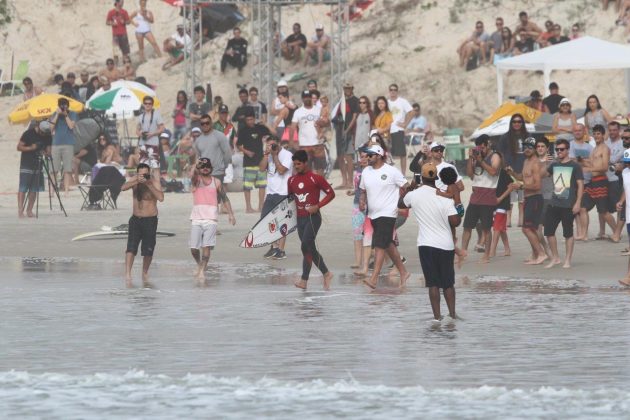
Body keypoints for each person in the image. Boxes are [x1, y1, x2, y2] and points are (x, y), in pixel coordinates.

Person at [399, 162, 461, 321]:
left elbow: (401, 204)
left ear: (422, 176)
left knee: (433, 283)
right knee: (448, 284)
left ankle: (437, 318)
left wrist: (410, 188)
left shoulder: (415, 195)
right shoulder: (444, 197)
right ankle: (452, 316)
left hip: (426, 245)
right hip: (446, 245)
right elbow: (455, 222)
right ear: (436, 177)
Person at [359, 144, 411, 289]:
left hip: (388, 213)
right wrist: (362, 201)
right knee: (388, 243)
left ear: (379, 156)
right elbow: (362, 190)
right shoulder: (366, 172)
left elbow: (406, 186)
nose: (367, 158)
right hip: (373, 214)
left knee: (379, 245)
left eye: (370, 155)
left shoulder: (391, 171)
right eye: (367, 155)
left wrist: (404, 203)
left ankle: (374, 278)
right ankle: (403, 271)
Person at [288, 150, 335, 290]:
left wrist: (317, 206)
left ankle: (304, 279)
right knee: (309, 248)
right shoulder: (291, 181)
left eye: (299, 164)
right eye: (294, 164)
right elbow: (289, 201)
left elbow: (331, 194)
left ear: (305, 163)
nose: (296, 167)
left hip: (313, 218)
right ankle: (326, 273)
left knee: (305, 245)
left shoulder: (316, 178)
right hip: (300, 219)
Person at [189, 158, 235, 282]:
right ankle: (199, 264)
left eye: (207, 166)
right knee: (193, 248)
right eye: (203, 166)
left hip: (211, 219)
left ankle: (202, 271)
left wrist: (231, 214)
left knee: (206, 246)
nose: (205, 168)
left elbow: (225, 198)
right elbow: (191, 174)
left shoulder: (217, 182)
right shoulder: (196, 181)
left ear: (211, 168)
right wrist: (196, 164)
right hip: (196, 218)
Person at [543, 139, 584, 269]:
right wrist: (545, 160)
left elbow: (580, 185)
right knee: (548, 232)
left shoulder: (575, 166)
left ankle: (567, 260)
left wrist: (578, 203)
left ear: (567, 150)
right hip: (554, 203)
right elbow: (542, 175)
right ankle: (555, 258)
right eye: (557, 149)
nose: (559, 152)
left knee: (568, 233)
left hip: (568, 204)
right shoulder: (554, 164)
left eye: (561, 149)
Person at [507, 137, 548, 265]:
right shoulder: (526, 161)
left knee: (527, 228)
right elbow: (523, 177)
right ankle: (536, 254)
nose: (527, 149)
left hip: (535, 198)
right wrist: (512, 173)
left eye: (530, 147)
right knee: (531, 228)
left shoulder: (536, 163)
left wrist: (521, 186)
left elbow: (537, 185)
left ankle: (541, 254)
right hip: (528, 198)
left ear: (535, 149)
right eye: (525, 147)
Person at [121, 163, 164, 287]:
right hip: (135, 219)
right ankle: (128, 274)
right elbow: (123, 187)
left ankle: (144, 273)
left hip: (150, 220)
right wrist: (136, 182)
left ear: (149, 173)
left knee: (148, 249)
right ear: (137, 173)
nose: (143, 176)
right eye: (140, 174)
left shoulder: (154, 182)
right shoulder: (135, 180)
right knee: (131, 247)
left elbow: (161, 198)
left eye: (145, 174)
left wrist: (148, 184)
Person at [461, 135, 500, 261]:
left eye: (483, 147)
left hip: (488, 197)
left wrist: (481, 160)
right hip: (475, 196)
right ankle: (463, 252)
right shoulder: (477, 157)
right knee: (467, 226)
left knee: (486, 228)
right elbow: (470, 175)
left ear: (488, 145)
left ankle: (486, 255)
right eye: (479, 147)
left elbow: (494, 172)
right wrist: (471, 158)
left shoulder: (495, 156)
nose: (481, 150)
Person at [259, 135, 293, 260]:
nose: (272, 147)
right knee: (267, 220)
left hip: (283, 192)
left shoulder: (287, 155)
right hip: (271, 192)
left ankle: (281, 250)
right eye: (269, 144)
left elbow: (282, 170)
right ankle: (274, 247)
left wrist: (274, 155)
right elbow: (262, 169)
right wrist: (266, 155)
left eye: (274, 144)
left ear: (279, 144)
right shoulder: (268, 155)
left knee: (282, 222)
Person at [497, 113, 528, 227]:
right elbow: (500, 153)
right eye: (514, 121)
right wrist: (504, 166)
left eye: (519, 121)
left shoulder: (528, 136)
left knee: (522, 198)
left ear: (522, 123)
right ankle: (508, 220)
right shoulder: (505, 137)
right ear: (511, 123)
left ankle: (521, 219)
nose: (517, 124)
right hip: (509, 169)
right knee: (510, 197)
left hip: (524, 168)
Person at [236, 108, 270, 213]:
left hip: (260, 162)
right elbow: (238, 145)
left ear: (254, 119)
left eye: (251, 119)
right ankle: (248, 207)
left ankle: (261, 206)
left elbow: (271, 133)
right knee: (247, 186)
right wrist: (246, 152)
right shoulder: (242, 130)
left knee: (262, 185)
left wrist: (265, 123)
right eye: (248, 120)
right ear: (245, 120)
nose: (250, 122)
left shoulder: (260, 128)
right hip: (249, 162)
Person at [17, 122, 50, 218]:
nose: (44, 135)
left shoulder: (48, 135)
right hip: (26, 163)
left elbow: (49, 151)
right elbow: (19, 147)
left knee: (34, 189)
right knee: (23, 188)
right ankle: (20, 210)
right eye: (42, 133)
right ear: (39, 128)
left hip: (38, 163)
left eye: (45, 133)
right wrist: (31, 148)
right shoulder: (28, 134)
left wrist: (46, 153)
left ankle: (29, 210)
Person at [291, 90, 327, 175]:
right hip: (304, 145)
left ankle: (320, 187)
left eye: (308, 97)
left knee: (320, 168)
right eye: (305, 97)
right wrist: (292, 142)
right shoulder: (298, 111)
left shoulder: (318, 110)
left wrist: (324, 126)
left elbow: (326, 123)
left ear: (311, 98)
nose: (307, 99)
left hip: (318, 144)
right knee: (306, 168)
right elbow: (293, 127)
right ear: (302, 99)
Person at [333, 82, 360, 189]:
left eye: (349, 88)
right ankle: (344, 181)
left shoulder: (355, 101)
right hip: (339, 131)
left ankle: (350, 181)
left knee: (348, 157)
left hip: (349, 132)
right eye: (345, 88)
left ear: (352, 88)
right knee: (340, 156)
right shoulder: (341, 101)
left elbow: (354, 117)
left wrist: (347, 129)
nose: (347, 90)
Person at [570, 124, 595, 240]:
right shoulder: (570, 145)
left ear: (584, 131)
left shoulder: (589, 147)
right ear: (573, 132)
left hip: (587, 181)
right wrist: (585, 161)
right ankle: (579, 233)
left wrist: (581, 161)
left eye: (580, 130)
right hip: (573, 181)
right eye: (575, 130)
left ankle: (585, 234)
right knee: (576, 209)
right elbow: (572, 161)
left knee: (583, 208)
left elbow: (592, 163)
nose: (578, 132)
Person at [50, 97, 78, 196]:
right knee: (54, 169)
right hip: (56, 143)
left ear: (68, 106)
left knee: (67, 169)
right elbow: (51, 128)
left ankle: (66, 191)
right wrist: (57, 114)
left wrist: (66, 115)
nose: (63, 107)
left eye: (64, 105)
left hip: (68, 143)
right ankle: (52, 191)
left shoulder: (73, 113)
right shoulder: (55, 113)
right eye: (61, 105)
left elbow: (71, 126)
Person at [193, 114, 232, 183]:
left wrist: (223, 167)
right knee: (207, 194)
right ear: (200, 125)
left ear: (211, 123)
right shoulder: (198, 140)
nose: (205, 125)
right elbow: (197, 157)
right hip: (204, 173)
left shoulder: (220, 136)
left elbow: (227, 153)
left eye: (207, 123)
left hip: (217, 173)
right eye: (202, 123)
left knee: (218, 193)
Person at [387, 84, 413, 176]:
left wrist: (405, 124)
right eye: (391, 90)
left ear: (397, 91)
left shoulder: (402, 101)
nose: (393, 91)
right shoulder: (387, 103)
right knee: (388, 153)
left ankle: (403, 174)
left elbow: (411, 112)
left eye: (395, 90)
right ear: (389, 91)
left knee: (402, 153)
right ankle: (390, 174)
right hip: (388, 130)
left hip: (398, 129)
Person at [136, 96, 165, 168]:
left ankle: (156, 179)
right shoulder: (140, 116)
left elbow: (162, 128)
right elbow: (137, 130)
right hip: (143, 144)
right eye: (146, 103)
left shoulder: (157, 115)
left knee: (155, 167)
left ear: (152, 105)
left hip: (153, 143)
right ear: (143, 104)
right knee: (143, 167)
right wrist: (141, 134)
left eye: (149, 103)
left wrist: (152, 134)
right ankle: (145, 179)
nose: (147, 105)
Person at [616, 149, 630, 286]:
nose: (628, 165)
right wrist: (621, 201)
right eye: (627, 163)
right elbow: (627, 189)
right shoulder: (625, 172)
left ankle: (628, 276)